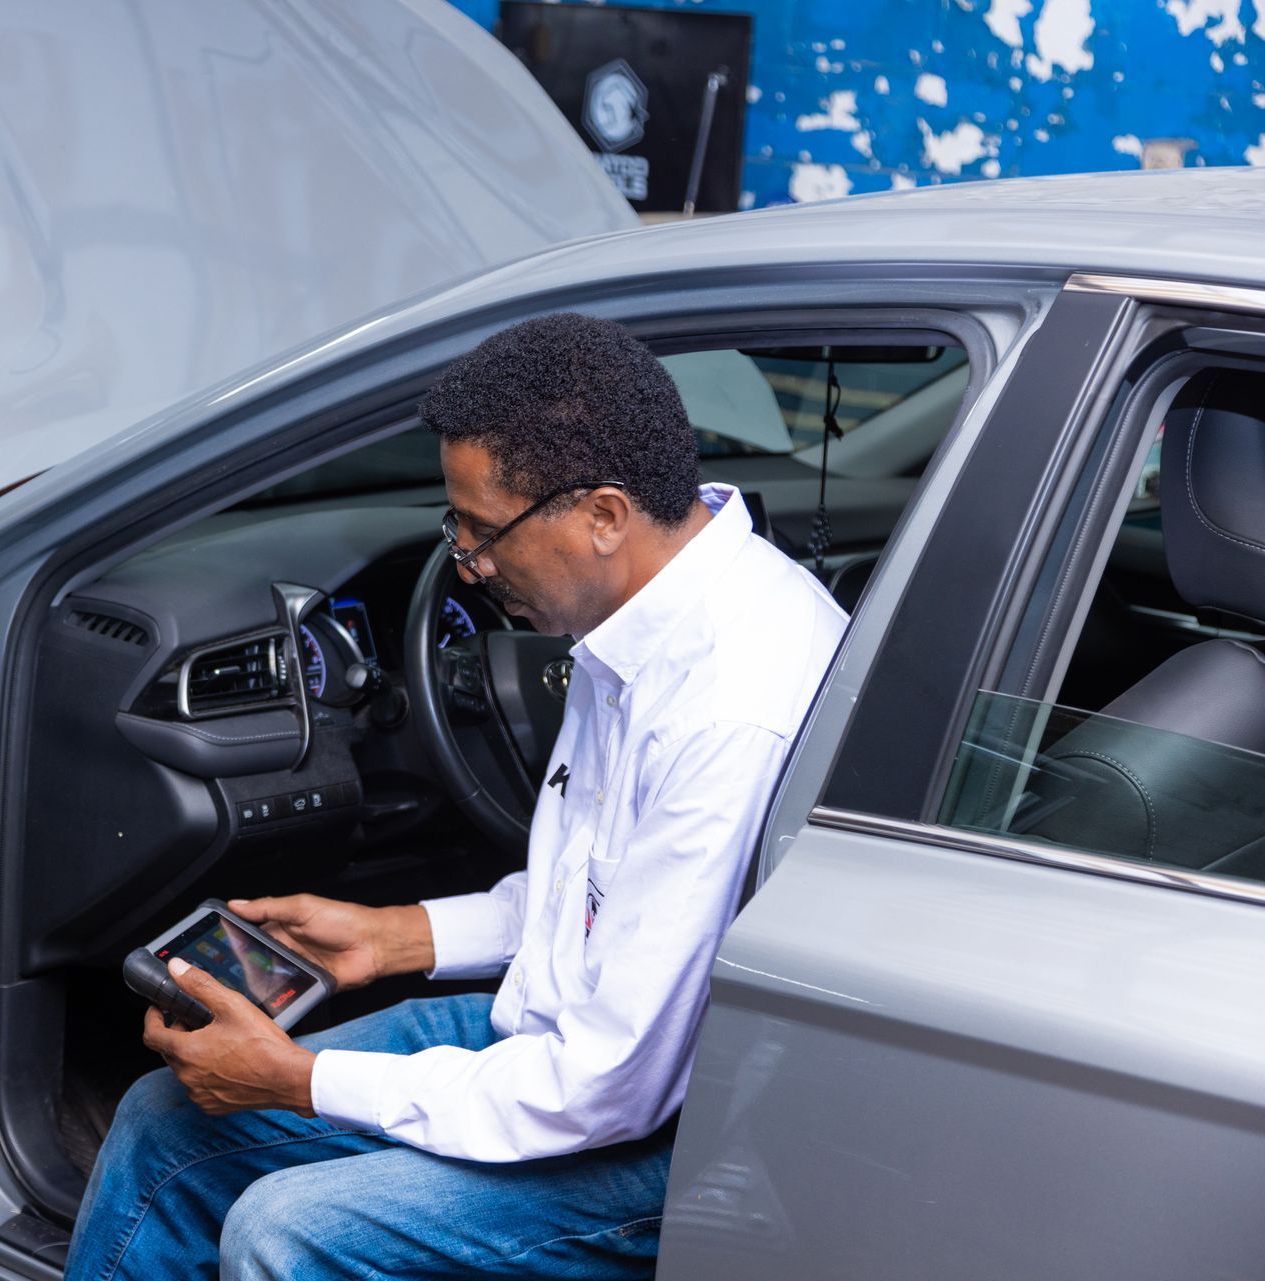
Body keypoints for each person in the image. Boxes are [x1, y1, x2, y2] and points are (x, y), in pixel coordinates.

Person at [65, 313, 847, 1281]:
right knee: (165, 1122)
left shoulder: (729, 705)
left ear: (603, 514)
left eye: (482, 531)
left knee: (286, 1229)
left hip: (673, 1131)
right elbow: (603, 900)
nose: (470, 565)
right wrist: (392, 938)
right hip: (566, 1028)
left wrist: (303, 1081)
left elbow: (605, 1090)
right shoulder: (643, 620)